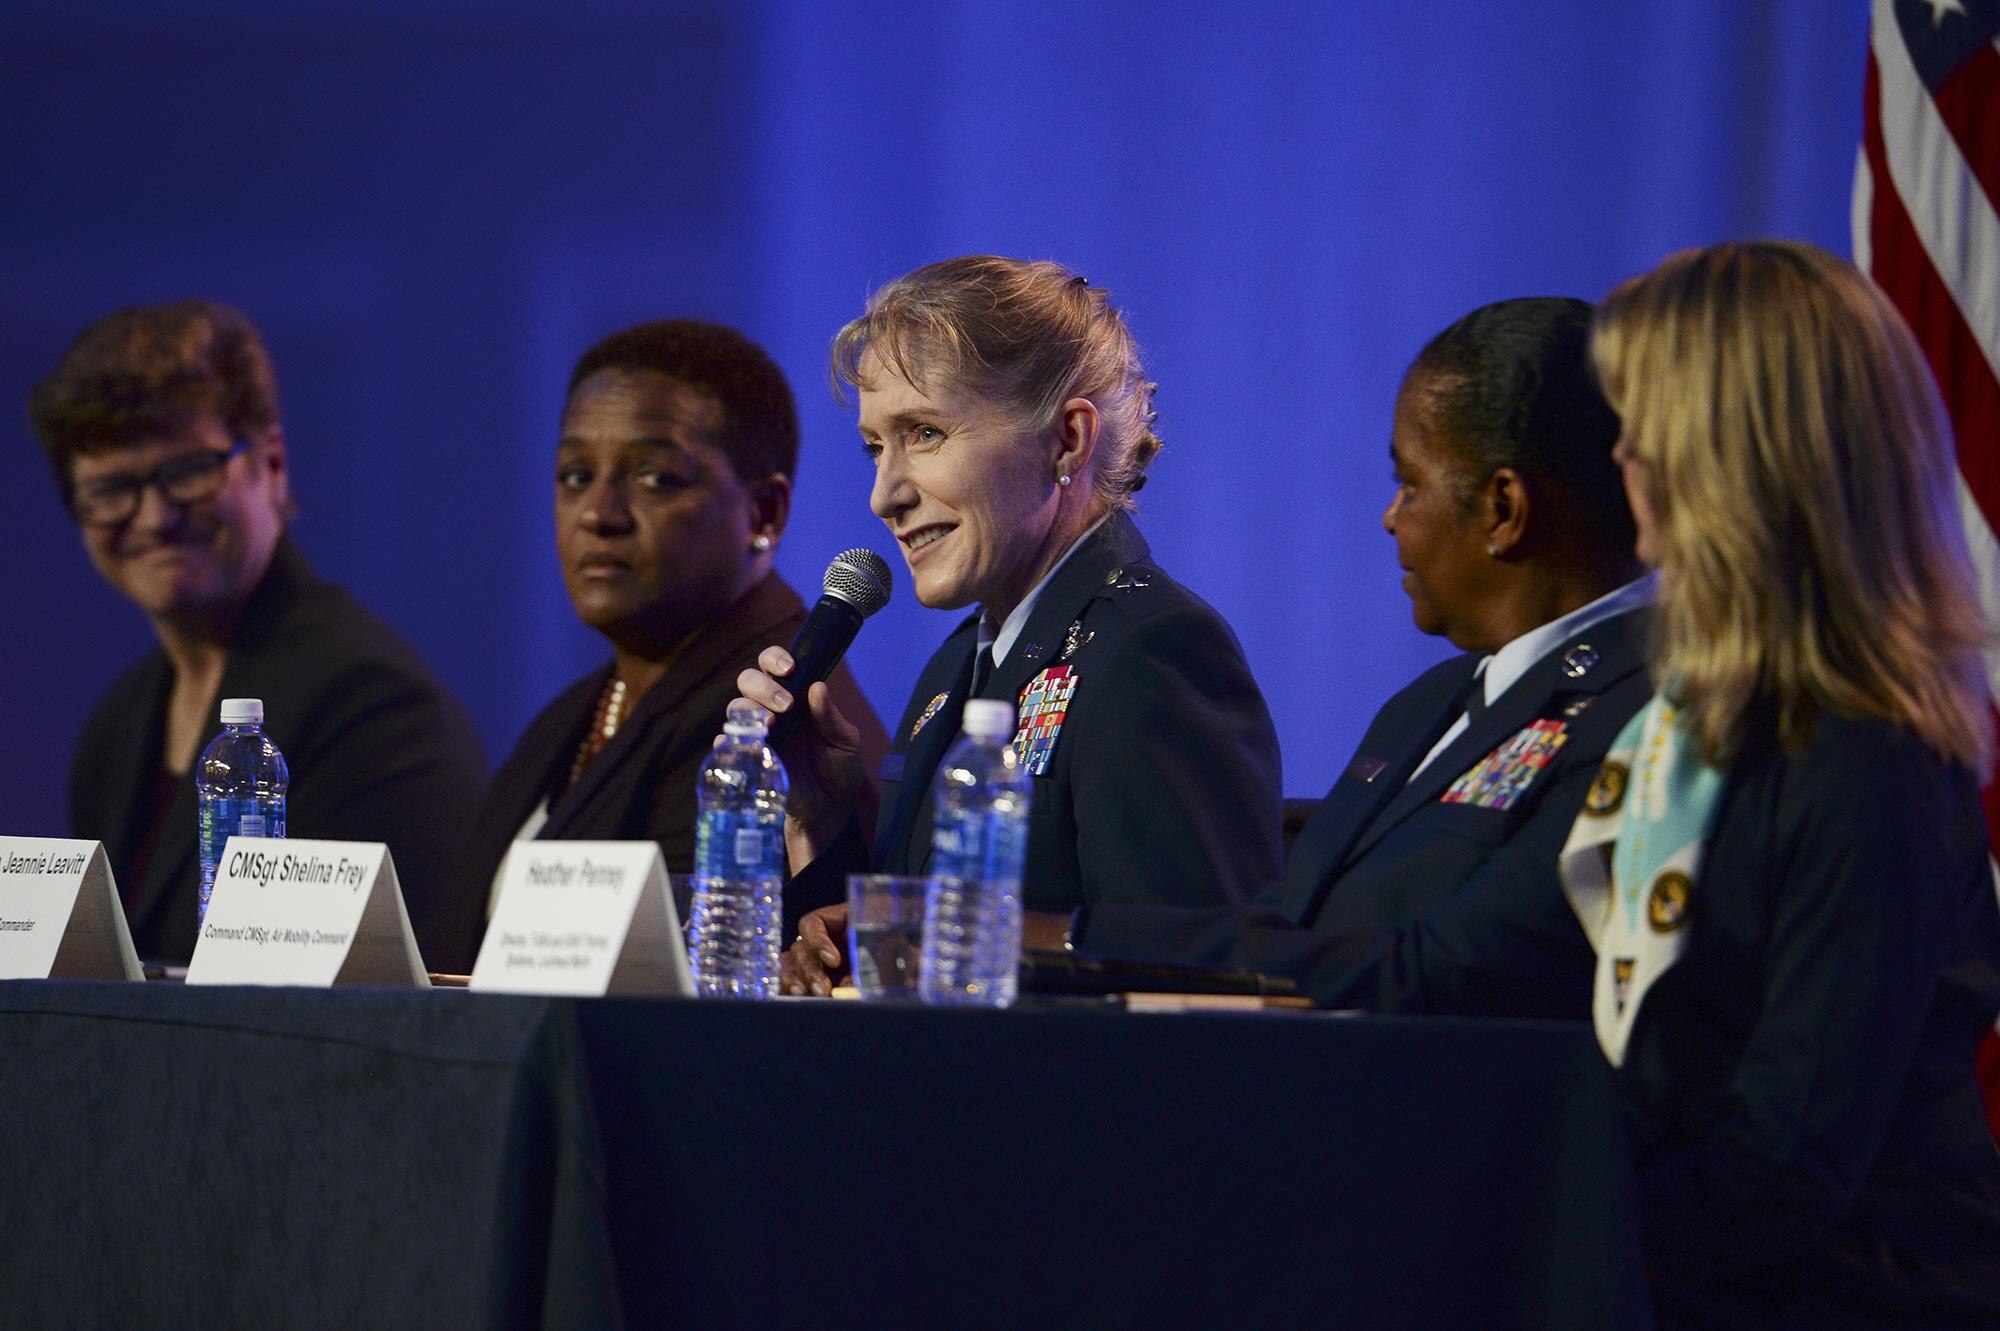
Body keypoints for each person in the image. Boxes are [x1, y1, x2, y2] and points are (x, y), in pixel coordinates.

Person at [1569, 241, 2000, 1326]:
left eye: (1643, 419)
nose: (1619, 450)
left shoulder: (1868, 761)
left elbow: (1789, 1160)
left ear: (1734, 455)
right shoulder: (1690, 719)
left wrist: (1542, 1251)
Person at [1067, 297, 1654, 1018]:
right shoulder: (1428, 704)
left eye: (1410, 484)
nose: (1391, 517)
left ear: (1504, 508)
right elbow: (1286, 924)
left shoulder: (1643, 718)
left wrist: (1072, 938)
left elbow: (1438, 972)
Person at [748, 255, 1284, 987]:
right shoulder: (956, 666)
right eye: (877, 446)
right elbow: (890, 971)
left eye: (926, 433)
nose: (884, 494)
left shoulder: (1151, 651)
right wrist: (819, 820)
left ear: (1067, 440)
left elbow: (1198, 975)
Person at [29, 299, 489, 970]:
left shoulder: (370, 704)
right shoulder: (116, 724)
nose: (153, 516)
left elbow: (376, 1011)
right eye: (112, 487)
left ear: (271, 463)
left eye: (186, 472)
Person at [457, 319, 889, 919]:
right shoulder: (569, 717)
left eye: (655, 478)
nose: (599, 515)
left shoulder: (771, 715)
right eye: (576, 476)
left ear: (764, 513)